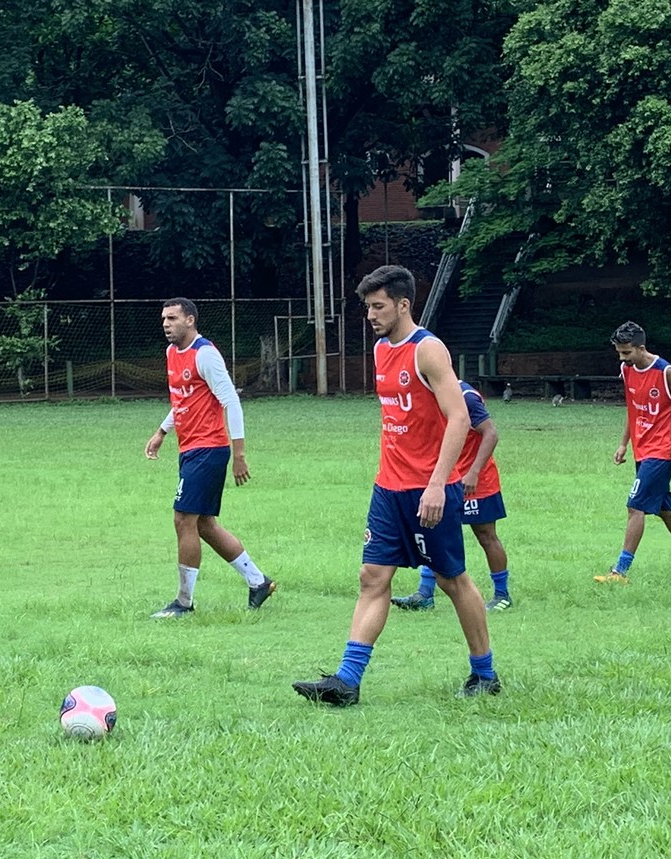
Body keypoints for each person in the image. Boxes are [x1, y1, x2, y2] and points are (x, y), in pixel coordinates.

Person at [293, 265, 501, 706]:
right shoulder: (379, 350)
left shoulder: (428, 350)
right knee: (372, 576)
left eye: (378, 306)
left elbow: (461, 418)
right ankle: (347, 682)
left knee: (452, 580)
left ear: (403, 305)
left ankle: (485, 673)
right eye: (367, 307)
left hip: (429, 490)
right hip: (388, 488)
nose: (370, 314)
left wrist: (438, 485)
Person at [144, 298, 275, 617]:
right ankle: (258, 582)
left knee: (182, 519)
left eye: (172, 318)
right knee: (204, 524)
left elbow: (231, 401)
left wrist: (239, 453)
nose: (166, 323)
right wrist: (163, 432)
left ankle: (184, 603)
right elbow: (182, 399)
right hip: (190, 448)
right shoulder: (171, 353)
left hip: (209, 448)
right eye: (164, 318)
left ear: (190, 320)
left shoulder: (205, 355)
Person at [594, 321, 671, 583]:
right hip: (642, 451)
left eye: (626, 352)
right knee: (665, 508)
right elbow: (633, 409)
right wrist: (624, 444)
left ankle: (620, 571)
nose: (622, 358)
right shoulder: (627, 369)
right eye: (619, 353)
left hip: (661, 452)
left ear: (641, 348)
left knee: (635, 507)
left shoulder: (666, 373)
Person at [392, 381, 512, 611]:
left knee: (486, 535)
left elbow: (491, 433)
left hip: (476, 479)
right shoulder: (425, 397)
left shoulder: (465, 397)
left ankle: (502, 595)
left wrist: (474, 472)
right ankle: (425, 594)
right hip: (447, 477)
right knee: (432, 530)